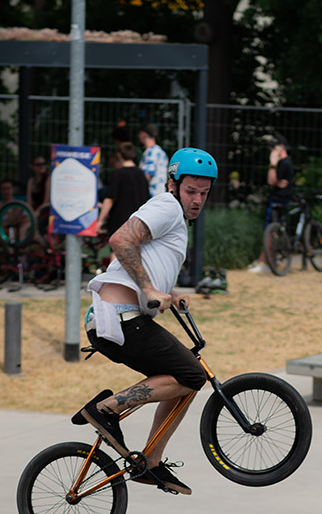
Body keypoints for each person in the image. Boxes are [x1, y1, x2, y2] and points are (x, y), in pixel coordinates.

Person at [75, 147, 217, 496]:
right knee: (193, 375)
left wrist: (171, 290)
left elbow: (147, 263)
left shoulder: (175, 218)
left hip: (123, 318)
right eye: (191, 191)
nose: (197, 199)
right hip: (118, 319)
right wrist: (150, 288)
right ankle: (105, 408)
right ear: (173, 184)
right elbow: (121, 240)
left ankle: (150, 462)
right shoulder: (167, 206)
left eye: (204, 193)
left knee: (185, 376)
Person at [248, 136, 294, 274]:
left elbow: (271, 180)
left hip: (278, 200)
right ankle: (265, 260)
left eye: (273, 147)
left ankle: (266, 263)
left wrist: (272, 163)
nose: (271, 150)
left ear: (281, 147)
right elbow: (274, 181)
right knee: (272, 232)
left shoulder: (283, 163)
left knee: (270, 231)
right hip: (278, 199)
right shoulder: (285, 163)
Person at [97, 141, 149, 236]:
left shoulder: (118, 174)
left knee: (117, 249)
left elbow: (110, 199)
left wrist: (100, 220)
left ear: (119, 155)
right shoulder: (141, 174)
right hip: (138, 221)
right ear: (133, 155)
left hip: (119, 221)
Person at [138, 123, 169, 198]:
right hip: (160, 193)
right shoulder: (161, 152)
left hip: (152, 195)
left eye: (139, 134)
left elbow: (147, 175)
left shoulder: (151, 152)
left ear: (144, 134)